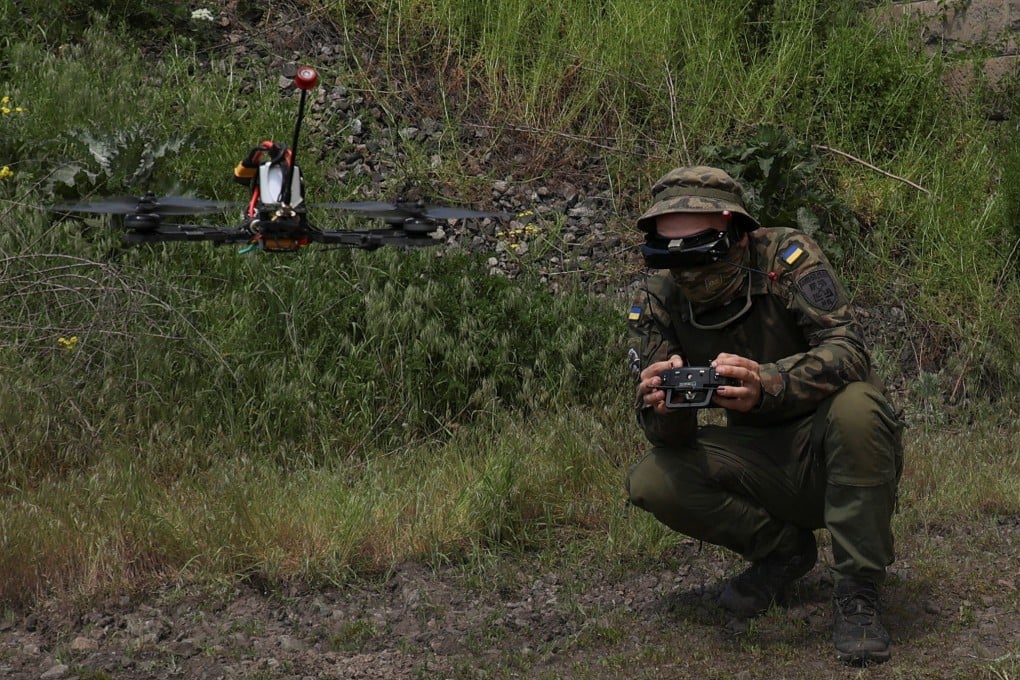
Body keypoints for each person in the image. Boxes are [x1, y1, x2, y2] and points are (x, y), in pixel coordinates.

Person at [625, 166, 904, 665]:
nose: (685, 267)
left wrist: (768, 384)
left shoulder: (785, 256)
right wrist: (664, 405)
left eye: (700, 246)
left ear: (737, 231)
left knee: (861, 407)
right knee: (653, 479)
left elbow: (849, 351)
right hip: (753, 456)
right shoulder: (659, 297)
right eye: (668, 250)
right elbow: (665, 436)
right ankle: (782, 552)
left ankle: (857, 590)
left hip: (829, 443)